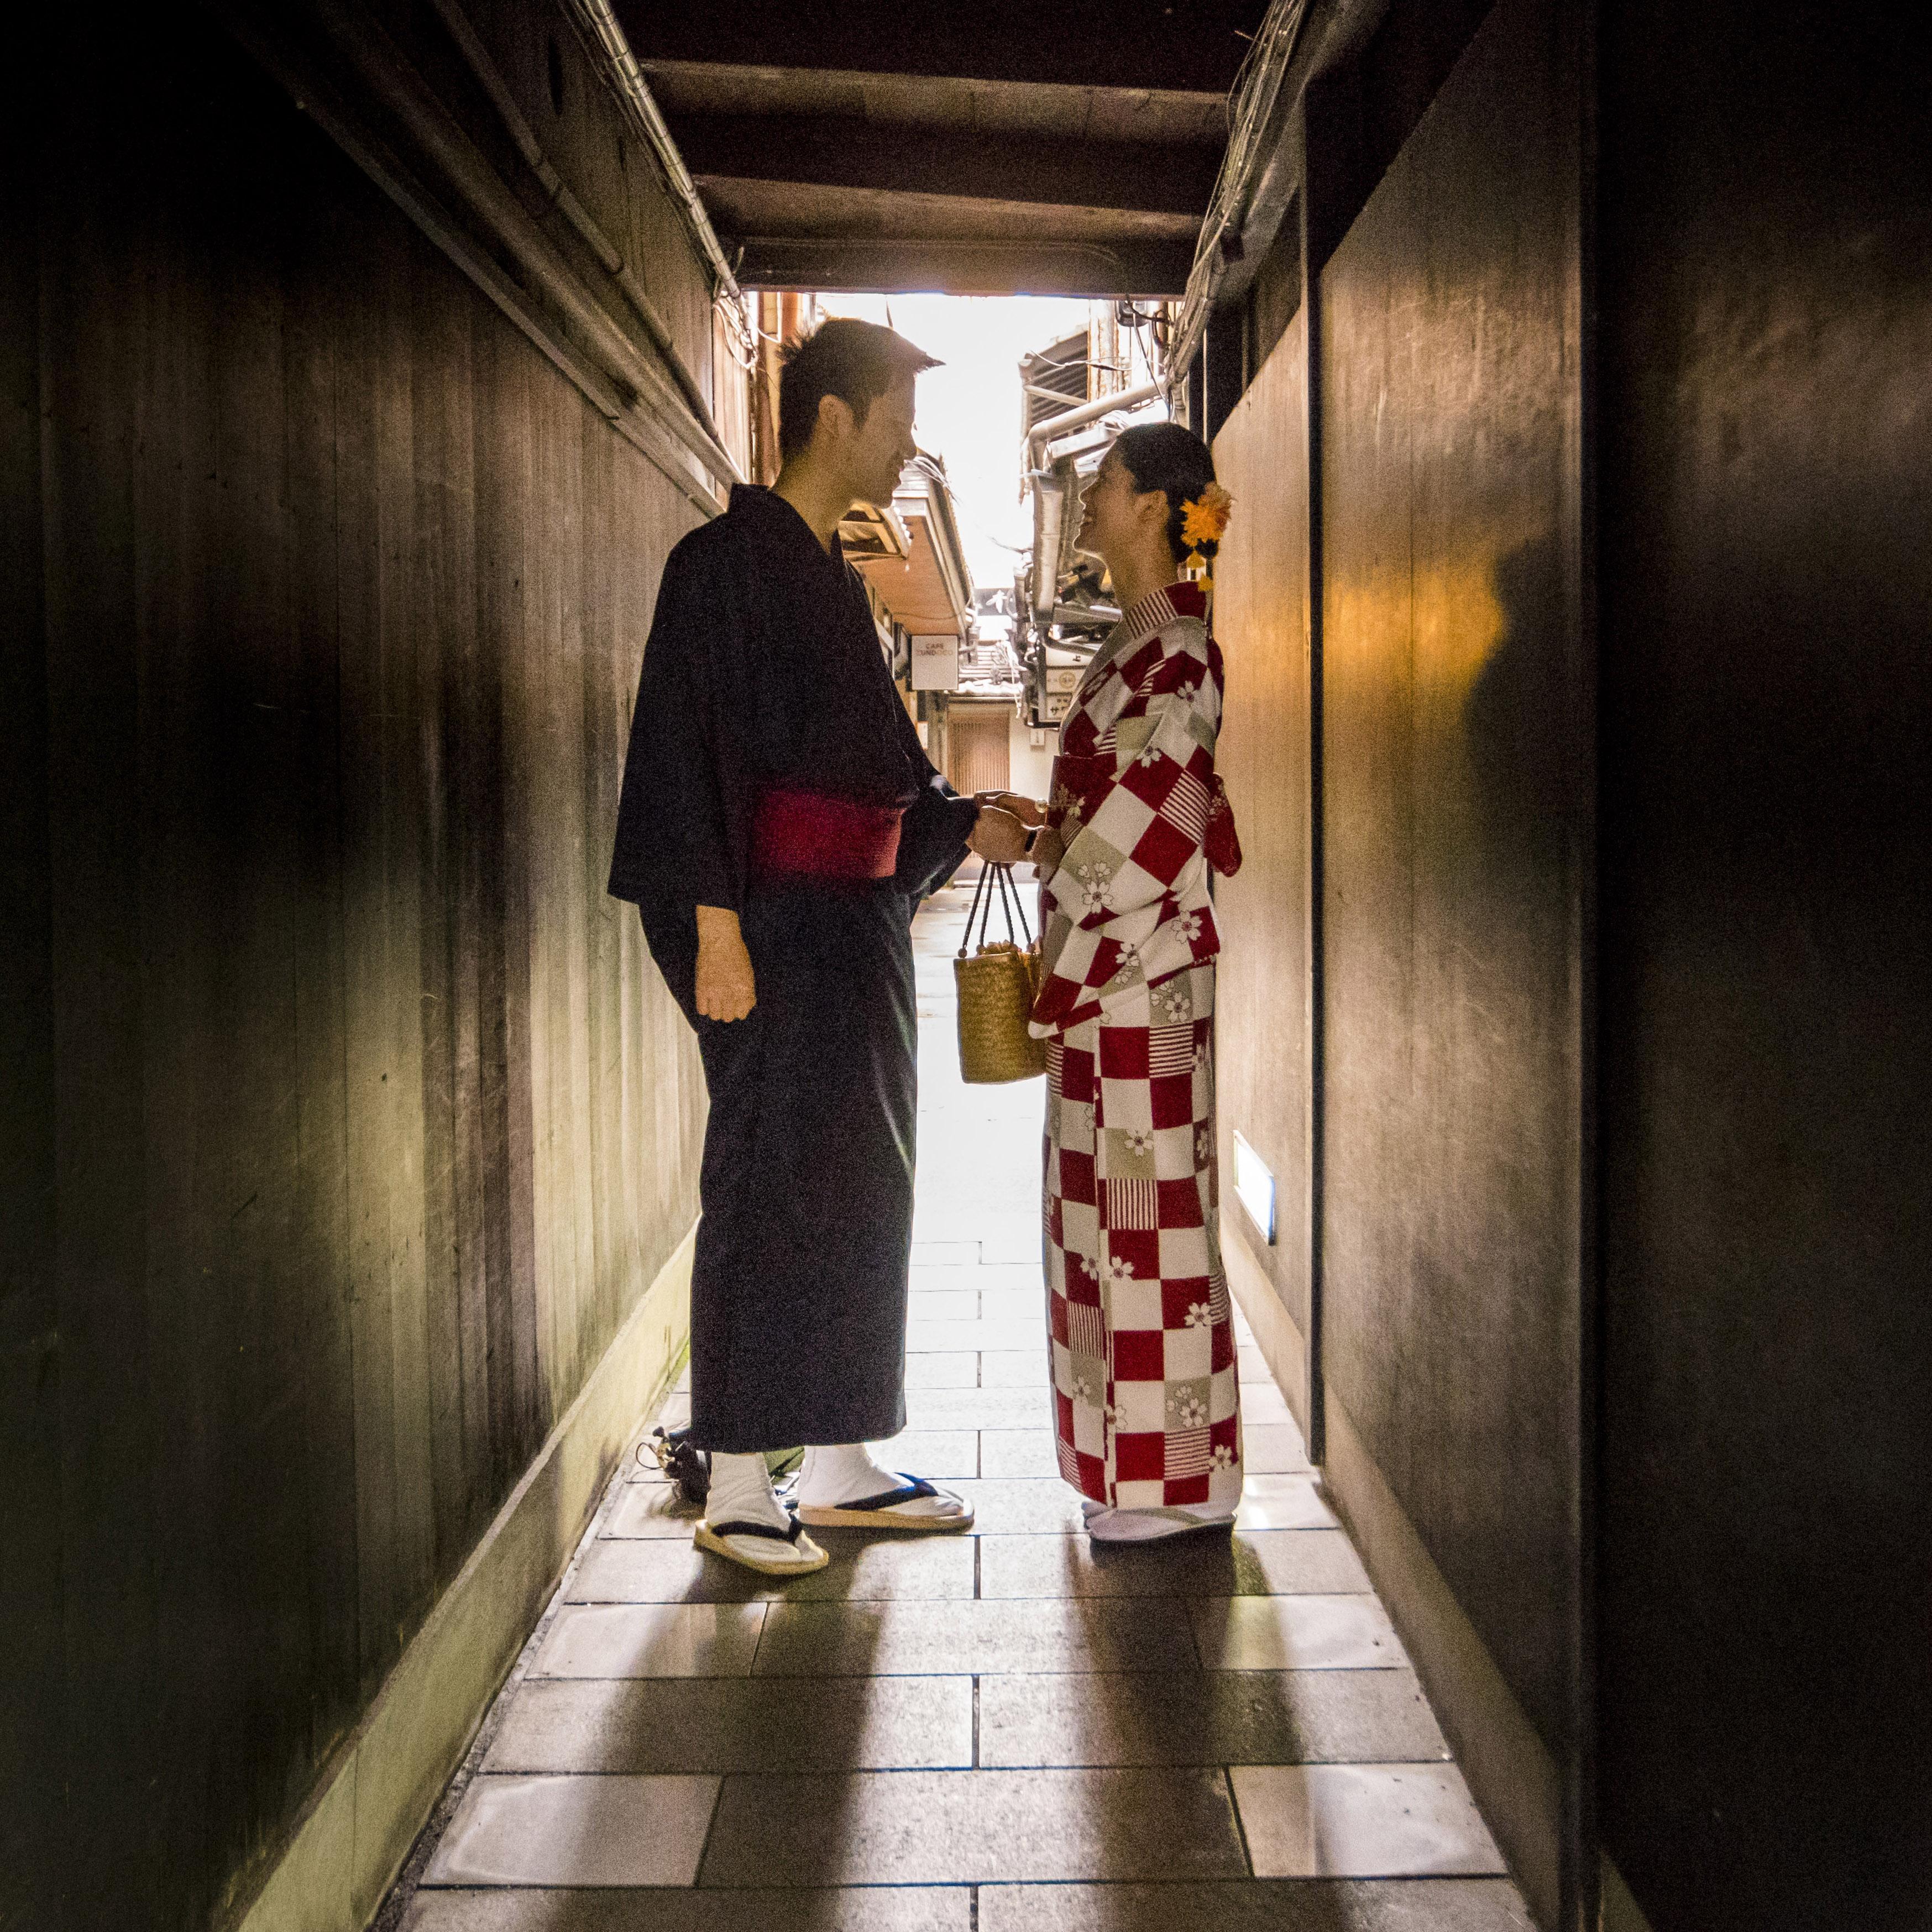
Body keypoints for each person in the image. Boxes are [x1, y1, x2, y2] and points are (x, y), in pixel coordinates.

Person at [608, 319, 1028, 1576]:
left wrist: (964, 822)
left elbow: (878, 781)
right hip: (768, 925)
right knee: (765, 1179)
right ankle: (739, 1475)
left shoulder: (831, 577)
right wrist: (712, 922)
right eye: (896, 420)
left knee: (864, 1176)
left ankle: (842, 1454)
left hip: (852, 931)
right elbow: (684, 753)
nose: (908, 447)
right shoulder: (720, 564)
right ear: (834, 416)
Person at [1007, 422, 1244, 1542]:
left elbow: (1149, 830)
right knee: (1107, 1221)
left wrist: (1056, 890)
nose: (1090, 500)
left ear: (1154, 505)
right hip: (1121, 972)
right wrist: (1046, 837)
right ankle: (1137, 1467)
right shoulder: (1138, 648)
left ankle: (1180, 1482)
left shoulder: (1175, 656)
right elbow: (1111, 821)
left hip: (1137, 975)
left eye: (1103, 483)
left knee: (1151, 1233)